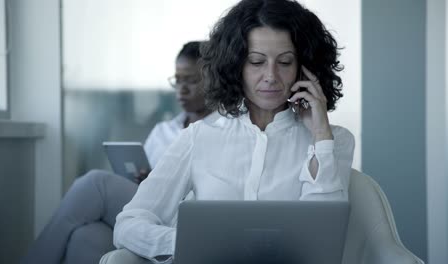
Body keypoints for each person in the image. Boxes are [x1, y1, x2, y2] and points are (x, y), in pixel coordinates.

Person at [110, 0, 355, 263]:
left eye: (284, 62)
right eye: (256, 61)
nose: (271, 75)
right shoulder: (199, 137)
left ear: (304, 68)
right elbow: (129, 223)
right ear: (236, 65)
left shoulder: (333, 141)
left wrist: (320, 135)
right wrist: (190, 244)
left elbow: (322, 242)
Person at [20, 41, 209, 264]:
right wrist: (146, 179)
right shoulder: (163, 130)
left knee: (94, 183)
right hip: (140, 205)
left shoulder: (220, 131)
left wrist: (159, 183)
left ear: (212, 81)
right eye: (178, 80)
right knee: (85, 236)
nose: (182, 89)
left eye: (192, 80)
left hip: (173, 213)